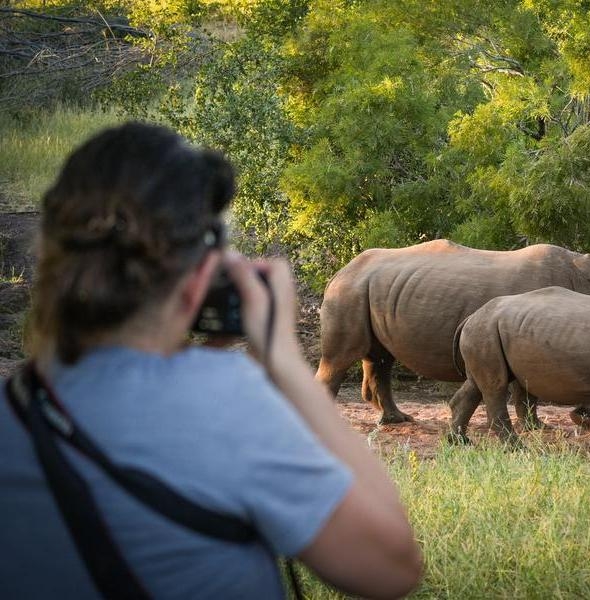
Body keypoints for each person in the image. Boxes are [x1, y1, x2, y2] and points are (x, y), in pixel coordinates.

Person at [0, 122, 423, 599]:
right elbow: (391, 569)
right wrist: (283, 359)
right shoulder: (227, 397)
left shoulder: (14, 404)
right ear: (204, 275)